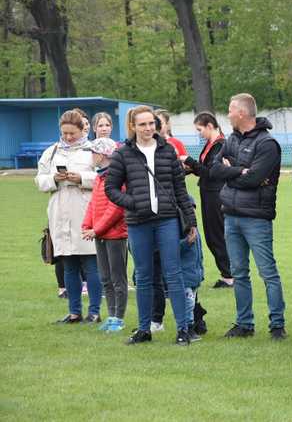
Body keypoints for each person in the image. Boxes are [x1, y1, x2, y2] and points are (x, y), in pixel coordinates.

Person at [105, 105, 197, 346]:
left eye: (151, 123)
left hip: (167, 220)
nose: (148, 128)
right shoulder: (123, 153)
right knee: (144, 276)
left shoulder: (167, 151)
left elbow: (180, 189)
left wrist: (191, 223)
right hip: (138, 222)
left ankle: (183, 329)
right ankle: (144, 329)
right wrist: (132, 202)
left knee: (174, 274)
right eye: (142, 124)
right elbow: (111, 189)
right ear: (133, 127)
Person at [210, 93, 286, 340]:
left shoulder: (267, 144)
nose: (228, 114)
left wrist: (230, 171)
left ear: (242, 113)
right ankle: (244, 324)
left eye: (231, 110)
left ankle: (277, 325)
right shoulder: (231, 138)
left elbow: (254, 179)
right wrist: (237, 171)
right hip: (231, 215)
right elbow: (214, 168)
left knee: (267, 272)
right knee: (239, 272)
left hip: (256, 217)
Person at [35, 109, 102, 323]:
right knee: (69, 264)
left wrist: (81, 177)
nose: (68, 137)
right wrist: (54, 179)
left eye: (72, 133)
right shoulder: (52, 152)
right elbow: (40, 181)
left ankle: (94, 312)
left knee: (91, 264)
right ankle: (74, 312)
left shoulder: (93, 151)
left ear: (83, 130)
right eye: (64, 133)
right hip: (59, 211)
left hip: (85, 211)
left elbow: (105, 177)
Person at [182, 111, 234, 289]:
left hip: (216, 194)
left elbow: (211, 172)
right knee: (213, 235)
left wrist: (189, 160)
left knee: (216, 235)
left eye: (200, 129)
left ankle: (229, 275)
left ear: (210, 126)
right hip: (208, 192)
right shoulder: (210, 144)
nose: (199, 133)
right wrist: (188, 169)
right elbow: (203, 169)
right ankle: (227, 273)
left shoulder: (220, 145)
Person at [81, 137, 128, 332]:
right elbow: (93, 204)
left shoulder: (116, 178)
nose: (90, 156)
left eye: (92, 153)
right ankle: (111, 315)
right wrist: (86, 225)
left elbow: (116, 208)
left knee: (118, 279)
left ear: (101, 155)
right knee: (105, 278)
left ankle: (119, 318)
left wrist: (97, 229)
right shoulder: (98, 177)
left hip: (115, 236)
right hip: (99, 235)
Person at [180, 196, 205, 342]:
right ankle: (187, 327)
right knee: (188, 303)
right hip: (185, 275)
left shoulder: (195, 230)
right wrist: (186, 243)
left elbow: (199, 253)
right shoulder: (182, 231)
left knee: (191, 301)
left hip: (194, 274)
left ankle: (190, 326)